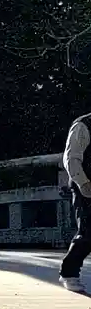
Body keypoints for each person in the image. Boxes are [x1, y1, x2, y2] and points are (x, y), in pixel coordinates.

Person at [59, 114, 91, 292]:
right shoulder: (83, 125)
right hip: (85, 185)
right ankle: (69, 273)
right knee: (88, 231)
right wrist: (83, 183)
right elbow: (71, 158)